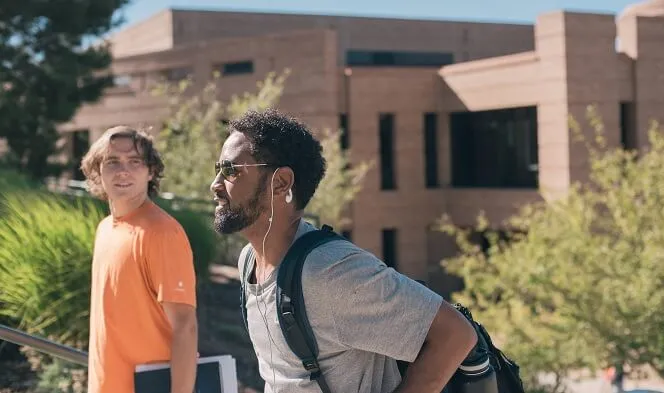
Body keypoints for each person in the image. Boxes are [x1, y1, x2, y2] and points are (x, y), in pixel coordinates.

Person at [210, 109, 478, 393]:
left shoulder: (329, 272)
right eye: (218, 169)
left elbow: (454, 335)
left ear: (281, 183)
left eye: (230, 170)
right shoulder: (249, 261)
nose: (215, 185)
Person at [80, 126, 198, 393]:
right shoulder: (105, 229)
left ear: (151, 171)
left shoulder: (163, 232)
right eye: (112, 162)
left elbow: (185, 326)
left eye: (135, 162)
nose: (123, 171)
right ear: (98, 171)